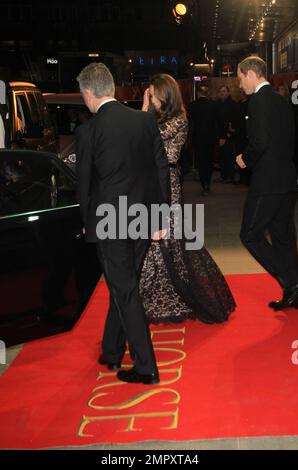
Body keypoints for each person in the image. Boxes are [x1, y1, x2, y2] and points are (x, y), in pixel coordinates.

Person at [75, 63, 170, 385]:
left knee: (124, 289)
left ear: (88, 93)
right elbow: (161, 170)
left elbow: (84, 185)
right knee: (124, 285)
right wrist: (161, 216)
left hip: (109, 222)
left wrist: (88, 225)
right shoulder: (143, 120)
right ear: (112, 87)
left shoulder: (89, 130)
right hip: (143, 217)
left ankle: (146, 367)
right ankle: (112, 350)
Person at [140, 73, 235, 324]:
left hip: (167, 182)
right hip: (152, 182)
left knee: (170, 238)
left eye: (153, 94)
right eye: (149, 94)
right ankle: (153, 293)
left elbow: (149, 136)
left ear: (165, 94)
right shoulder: (158, 118)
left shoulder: (178, 119)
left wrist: (144, 109)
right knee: (157, 240)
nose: (151, 99)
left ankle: (178, 293)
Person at [236, 56, 298, 311]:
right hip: (287, 180)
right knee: (283, 237)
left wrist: (244, 158)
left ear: (251, 73)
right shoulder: (281, 101)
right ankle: (295, 293)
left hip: (268, 182)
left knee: (249, 235)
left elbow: (260, 142)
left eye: (240, 79)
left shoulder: (258, 101)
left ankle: (291, 281)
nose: (240, 85)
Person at [188, 84, 217, 196]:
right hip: (210, 138)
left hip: (198, 138)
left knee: (200, 162)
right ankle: (207, 184)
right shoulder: (214, 105)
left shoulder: (192, 106)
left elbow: (189, 123)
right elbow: (217, 123)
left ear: (198, 93)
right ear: (208, 93)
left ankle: (203, 183)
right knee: (209, 162)